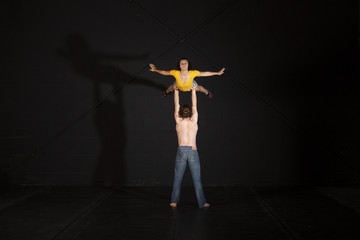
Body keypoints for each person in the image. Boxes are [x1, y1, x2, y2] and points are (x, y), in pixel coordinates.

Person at [170, 84, 210, 208]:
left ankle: (174, 202)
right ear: (190, 113)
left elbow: (176, 105)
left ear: (181, 112)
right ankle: (202, 203)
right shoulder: (194, 120)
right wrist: (193, 91)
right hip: (192, 150)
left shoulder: (178, 120)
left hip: (181, 149)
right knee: (196, 179)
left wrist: (176, 91)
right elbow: (195, 105)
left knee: (177, 178)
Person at [149, 58, 225, 98]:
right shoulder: (175, 72)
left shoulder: (193, 73)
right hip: (178, 86)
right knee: (170, 88)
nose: (184, 64)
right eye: (182, 63)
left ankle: (208, 93)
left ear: (188, 65)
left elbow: (205, 73)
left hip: (191, 86)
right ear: (179, 66)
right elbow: (164, 72)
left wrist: (217, 73)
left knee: (201, 89)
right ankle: (165, 93)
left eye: (185, 63)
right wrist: (155, 70)